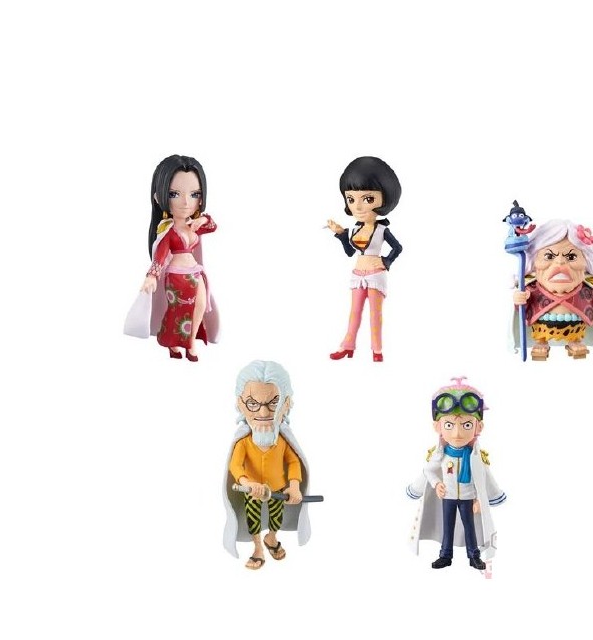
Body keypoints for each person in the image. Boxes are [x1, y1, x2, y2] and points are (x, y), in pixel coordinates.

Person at [124, 155, 219, 361]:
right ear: (159, 198)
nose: (185, 202)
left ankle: (191, 342)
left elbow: (213, 226)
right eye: (174, 194)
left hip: (196, 273)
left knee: (200, 305)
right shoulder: (167, 231)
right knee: (177, 311)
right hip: (176, 277)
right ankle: (172, 342)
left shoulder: (195, 225)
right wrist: (152, 275)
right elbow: (160, 255)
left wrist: (203, 219)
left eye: (194, 194)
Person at [406, 378, 506, 571]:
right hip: (448, 497)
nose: (457, 433)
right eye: (449, 425)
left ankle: (473, 556)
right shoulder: (441, 455)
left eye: (466, 425)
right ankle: (445, 555)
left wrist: (480, 499)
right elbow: (428, 470)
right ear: (438, 427)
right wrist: (437, 483)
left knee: (470, 528)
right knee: (447, 527)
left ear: (478, 427)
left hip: (468, 498)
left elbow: (484, 478)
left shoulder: (475, 457)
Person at [222, 361, 311, 570]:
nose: (263, 414)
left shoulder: (283, 442)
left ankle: (271, 537)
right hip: (252, 491)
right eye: (252, 403)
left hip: (278, 490)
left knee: (276, 517)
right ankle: (257, 547)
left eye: (274, 403)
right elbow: (235, 466)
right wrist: (247, 483)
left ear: (286, 404)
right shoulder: (243, 443)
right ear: (240, 404)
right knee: (252, 518)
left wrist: (294, 486)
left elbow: (293, 461)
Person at [326, 156, 403, 363]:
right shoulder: (354, 229)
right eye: (351, 199)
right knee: (354, 312)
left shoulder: (382, 230)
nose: (358, 207)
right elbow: (350, 252)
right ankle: (347, 346)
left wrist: (386, 261)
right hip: (357, 273)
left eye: (367, 199)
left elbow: (397, 248)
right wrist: (341, 234)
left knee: (375, 314)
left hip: (376, 275)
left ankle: (377, 350)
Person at [511, 218, 593, 360]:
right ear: (534, 262)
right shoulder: (531, 289)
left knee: (576, 335)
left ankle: (575, 341)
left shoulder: (586, 289)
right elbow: (522, 308)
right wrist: (519, 299)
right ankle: (541, 342)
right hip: (542, 326)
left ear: (586, 262)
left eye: (571, 256)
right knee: (540, 335)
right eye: (549, 256)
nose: (560, 262)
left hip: (575, 325)